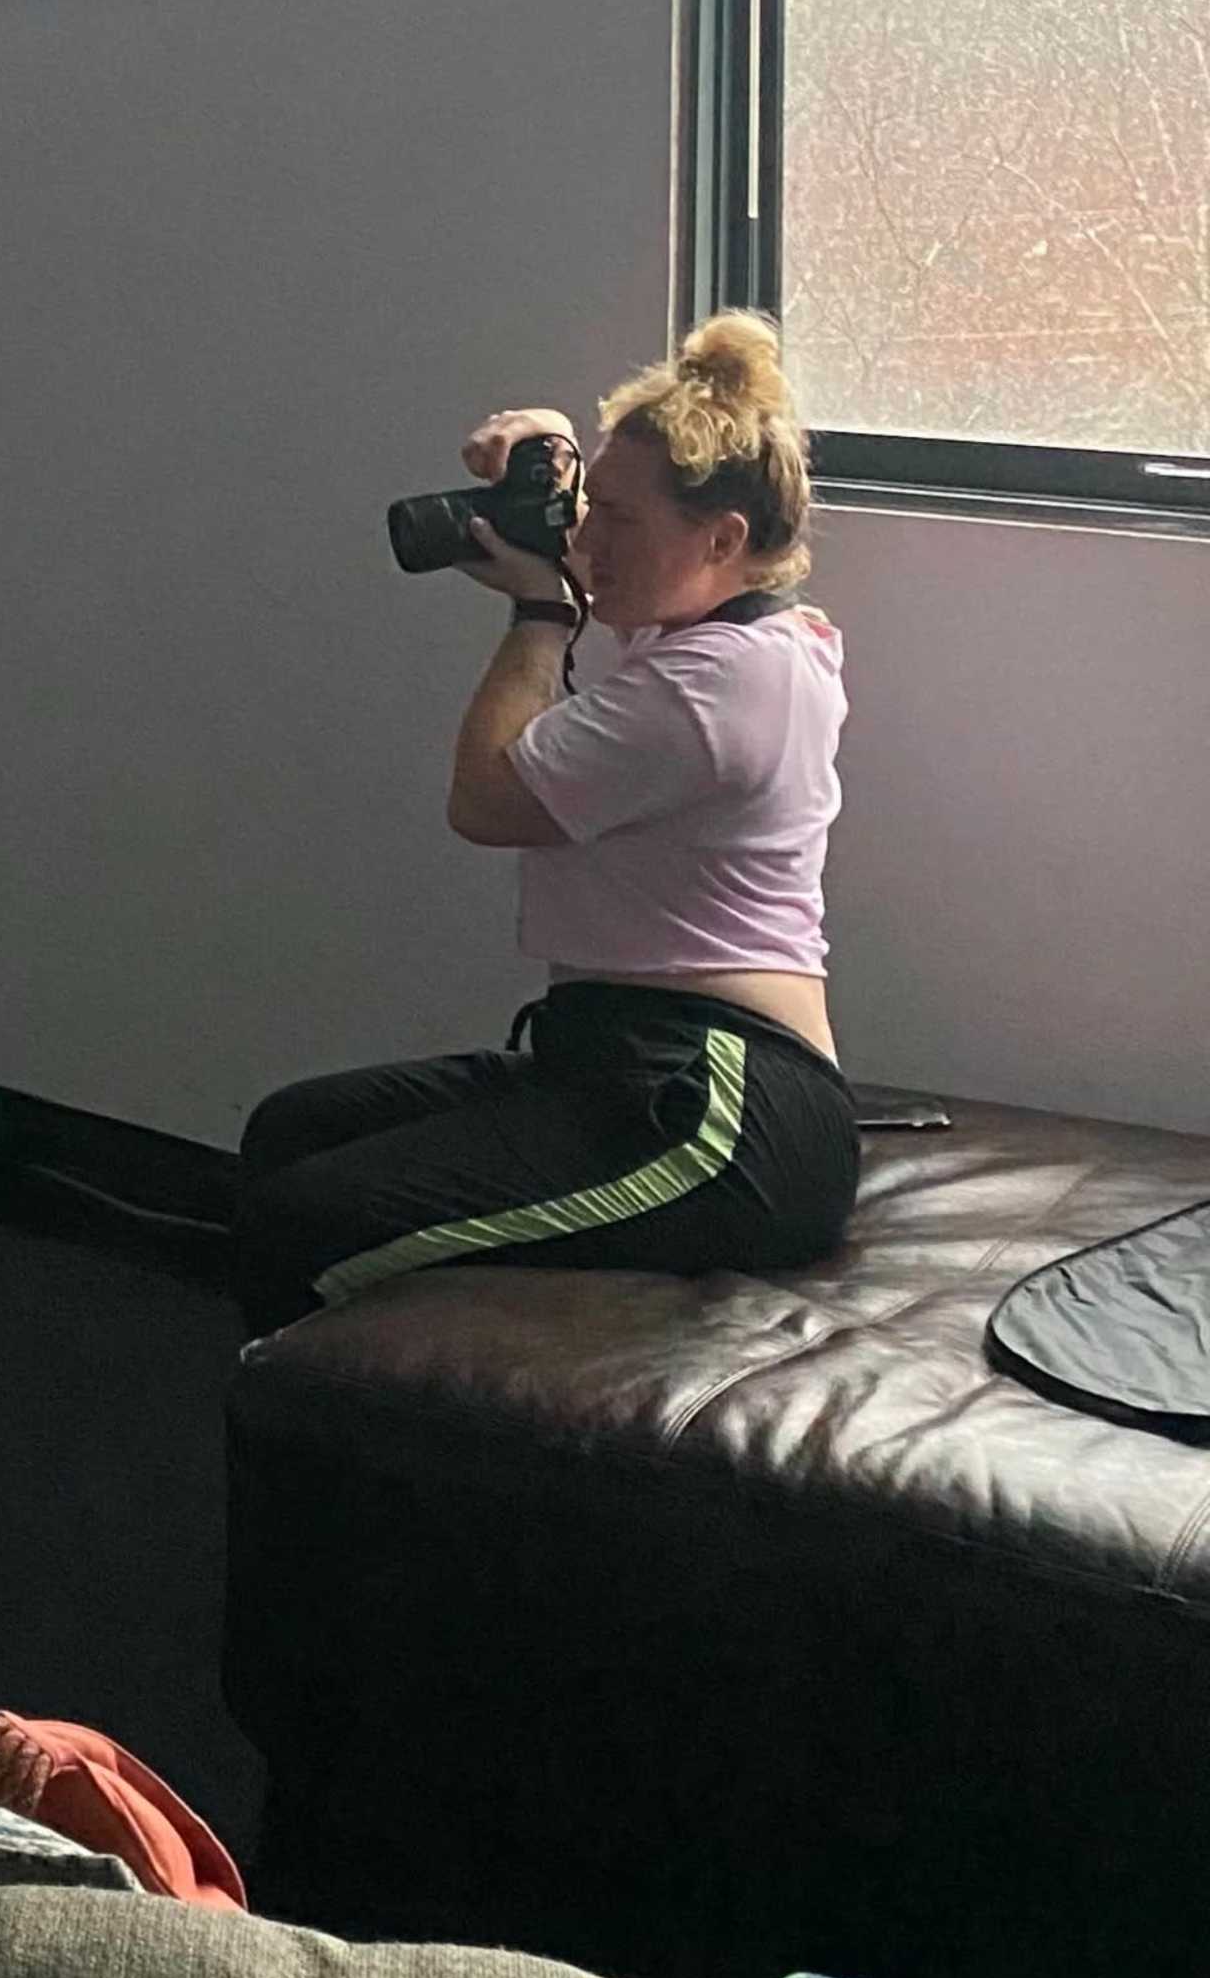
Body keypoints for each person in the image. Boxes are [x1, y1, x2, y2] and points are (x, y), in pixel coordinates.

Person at [233, 314, 859, 1330]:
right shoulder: (742, 638)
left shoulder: (718, 683)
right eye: (588, 508)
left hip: (721, 1104)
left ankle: (310, 1417)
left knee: (303, 1221)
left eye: (618, 521)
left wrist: (540, 611)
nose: (583, 541)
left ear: (723, 539)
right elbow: (634, 523)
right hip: (617, 1061)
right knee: (292, 1130)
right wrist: (557, 453)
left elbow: (486, 802)